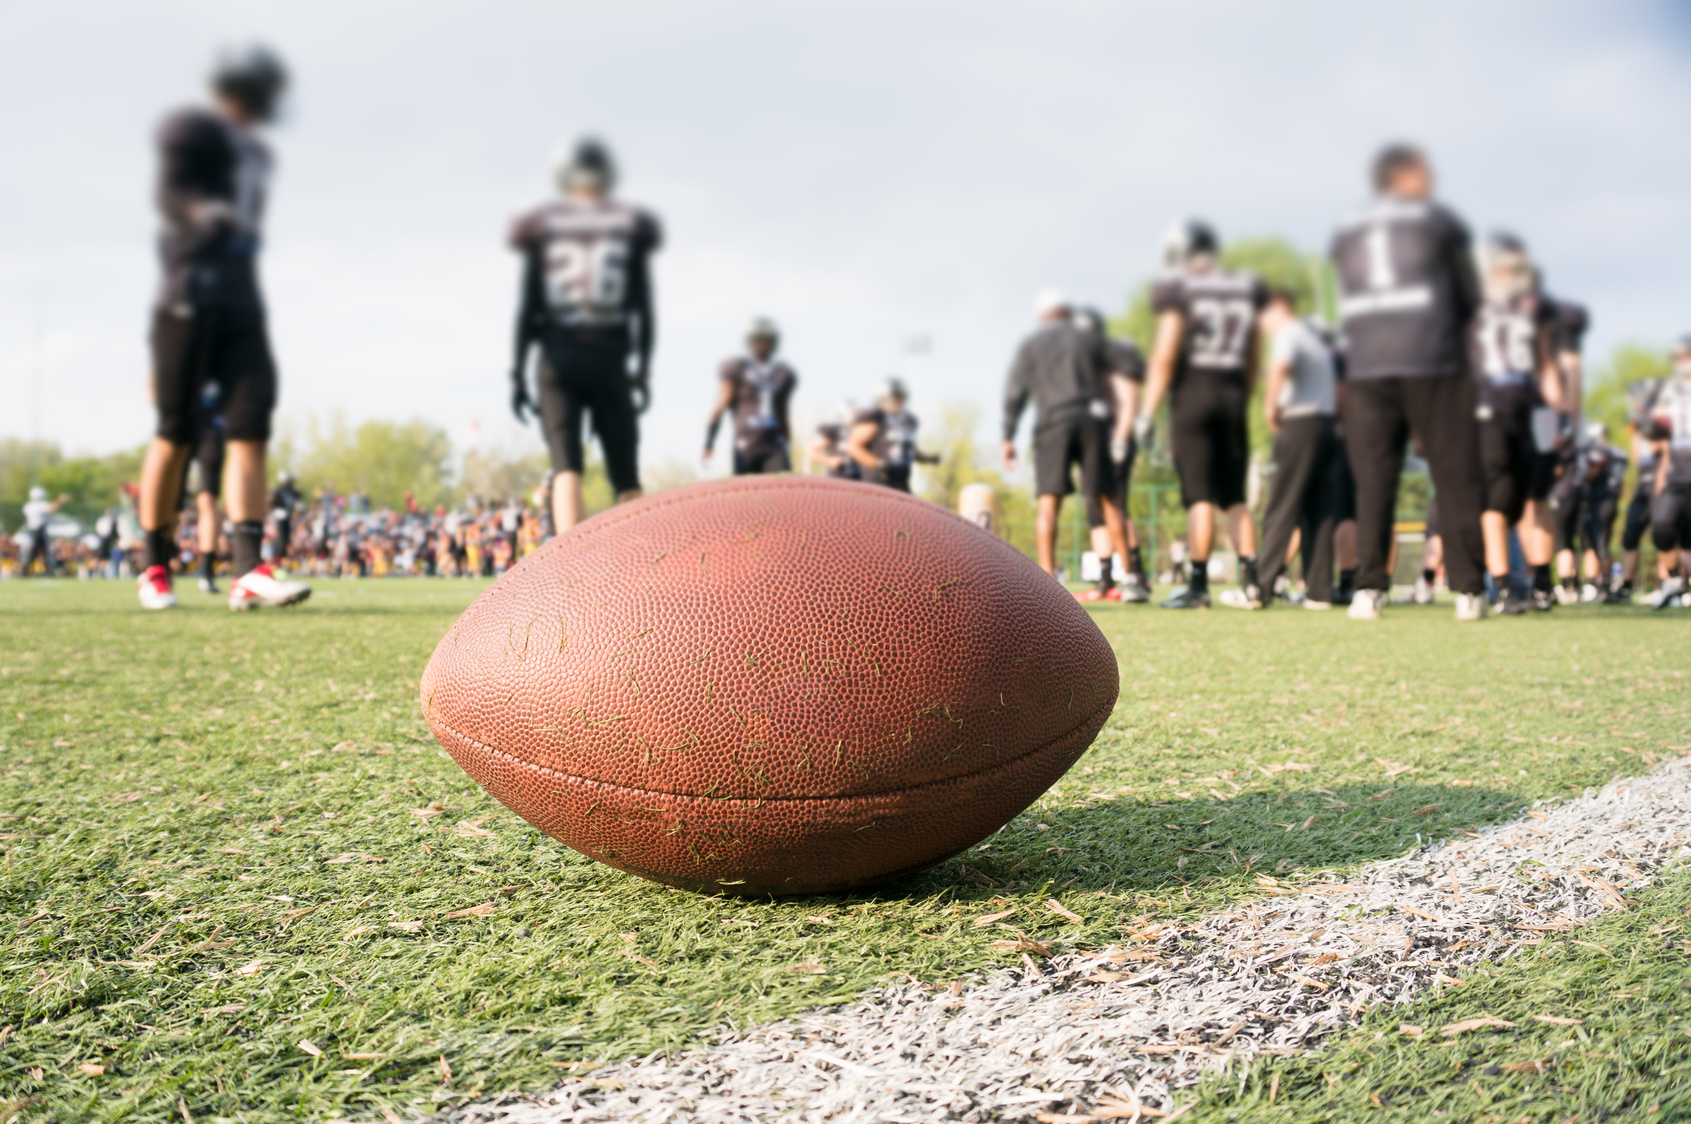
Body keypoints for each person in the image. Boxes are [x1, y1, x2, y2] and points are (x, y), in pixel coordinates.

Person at [135, 45, 310, 612]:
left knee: (251, 432)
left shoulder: (259, 153)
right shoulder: (190, 128)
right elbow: (172, 196)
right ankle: (154, 565)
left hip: (242, 306)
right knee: (174, 434)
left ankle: (247, 570)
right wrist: (201, 212)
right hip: (186, 300)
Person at [1329, 144, 1488, 621]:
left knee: (1373, 480)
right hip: (1431, 355)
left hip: (1368, 362)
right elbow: (1470, 296)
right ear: (1406, 176)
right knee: (1454, 474)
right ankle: (1468, 590)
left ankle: (1369, 588)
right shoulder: (1438, 221)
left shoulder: (1348, 232)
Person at [509, 137, 660, 533]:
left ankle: (567, 574)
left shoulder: (545, 226)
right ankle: (642, 567)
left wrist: (516, 373)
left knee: (566, 468)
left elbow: (528, 308)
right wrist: (643, 370)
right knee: (626, 477)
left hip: (558, 357)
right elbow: (644, 309)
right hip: (608, 356)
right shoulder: (627, 226)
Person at [1135, 221, 1265, 609]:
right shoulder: (1245, 288)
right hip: (1232, 394)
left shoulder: (1179, 289)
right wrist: (1243, 393)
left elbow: (1164, 356)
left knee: (1200, 497)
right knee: (1236, 497)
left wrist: (1147, 412)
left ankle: (1198, 586)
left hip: (1194, 395)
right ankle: (1254, 582)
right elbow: (1254, 353)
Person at [1001, 291, 1132, 585]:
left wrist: (1008, 435)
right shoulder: (1088, 338)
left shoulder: (1032, 345)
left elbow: (1015, 392)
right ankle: (1132, 578)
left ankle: (1048, 581)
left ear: (1043, 316)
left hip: (1052, 422)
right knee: (1110, 500)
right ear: (1067, 312)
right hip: (1092, 420)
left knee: (1048, 504)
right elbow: (1128, 366)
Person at [1470, 232, 1566, 615]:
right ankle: (1505, 584)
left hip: (1533, 412)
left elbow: (1546, 364)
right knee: (1497, 499)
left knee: (1536, 496)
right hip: (1488, 411)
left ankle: (1542, 579)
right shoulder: (1470, 308)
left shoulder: (1534, 308)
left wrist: (1557, 418)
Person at [1226, 288, 1340, 610]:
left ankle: (1259, 589)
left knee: (1281, 506)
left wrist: (1270, 406)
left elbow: (1280, 368)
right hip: (1325, 426)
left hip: (1298, 424)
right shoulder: (1315, 339)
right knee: (1319, 511)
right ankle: (1319, 593)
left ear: (1275, 309)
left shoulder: (1287, 333)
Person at [1072, 307, 1149, 602]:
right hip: (1093, 442)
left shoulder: (1115, 356)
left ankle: (1136, 575)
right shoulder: (1084, 365)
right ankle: (1105, 580)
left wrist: (1120, 437)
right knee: (1095, 509)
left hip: (1113, 441)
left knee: (1115, 505)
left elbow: (1128, 400)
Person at [704, 317, 796, 474]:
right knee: (746, 495)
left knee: (781, 492)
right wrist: (709, 443)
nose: (766, 344)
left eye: (769, 340)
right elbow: (721, 405)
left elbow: (783, 412)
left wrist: (787, 445)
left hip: (773, 445)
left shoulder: (784, 373)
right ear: (752, 341)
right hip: (746, 444)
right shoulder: (737, 367)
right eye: (761, 339)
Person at [1550, 422, 1626, 601]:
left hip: (1599, 502)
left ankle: (1600, 585)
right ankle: (1598, 585)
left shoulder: (1598, 453)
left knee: (1596, 544)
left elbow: (1590, 473)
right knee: (1593, 543)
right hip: (1600, 502)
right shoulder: (1615, 454)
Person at [1645, 337, 1691, 609]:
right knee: (1662, 526)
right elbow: (1659, 432)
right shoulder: (1670, 391)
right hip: (1675, 465)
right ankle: (1674, 581)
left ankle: (1683, 588)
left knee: (1689, 537)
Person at [1617, 377, 1666, 600]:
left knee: (1665, 535)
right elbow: (1636, 457)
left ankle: (1669, 583)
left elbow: (1659, 448)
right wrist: (1638, 429)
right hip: (1643, 485)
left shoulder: (1666, 420)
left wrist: (1649, 426)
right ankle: (1626, 585)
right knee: (1630, 536)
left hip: (1664, 484)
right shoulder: (1641, 423)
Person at [848, 378, 937, 492]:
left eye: (902, 396)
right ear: (885, 396)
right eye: (897, 396)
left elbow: (908, 449)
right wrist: (877, 463)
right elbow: (854, 447)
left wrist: (926, 458)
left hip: (901, 482)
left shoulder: (908, 420)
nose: (900, 400)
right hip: (878, 482)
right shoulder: (876, 418)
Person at [183, 381, 227, 593]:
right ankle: (157, 563)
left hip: (212, 426)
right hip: (180, 418)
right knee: (171, 498)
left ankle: (207, 571)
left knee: (208, 500)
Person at [20, 487, 68, 577]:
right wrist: (60, 500)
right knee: (43, 551)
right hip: (39, 530)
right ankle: (47, 570)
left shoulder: (28, 506)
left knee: (38, 551)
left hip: (32, 531)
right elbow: (50, 509)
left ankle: (27, 569)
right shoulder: (39, 505)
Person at [809, 407, 861, 479]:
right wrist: (829, 460)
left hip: (859, 480)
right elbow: (812, 452)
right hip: (837, 480)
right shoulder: (835, 429)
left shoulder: (862, 431)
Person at [269, 469, 300, 566]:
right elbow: (271, 503)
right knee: (279, 541)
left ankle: (282, 562)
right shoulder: (278, 491)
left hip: (288, 518)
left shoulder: (293, 492)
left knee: (286, 541)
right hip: (279, 517)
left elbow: (296, 505)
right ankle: (276, 562)